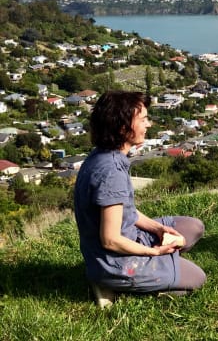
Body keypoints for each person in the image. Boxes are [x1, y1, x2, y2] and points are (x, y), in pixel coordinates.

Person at [74, 90, 206, 308]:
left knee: (194, 228)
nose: (149, 124)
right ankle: (111, 284)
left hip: (124, 240)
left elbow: (127, 211)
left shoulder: (104, 155)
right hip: (114, 260)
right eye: (143, 120)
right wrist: (153, 251)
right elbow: (110, 240)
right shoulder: (111, 172)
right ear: (123, 127)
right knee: (197, 279)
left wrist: (158, 229)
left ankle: (158, 266)